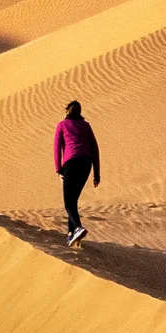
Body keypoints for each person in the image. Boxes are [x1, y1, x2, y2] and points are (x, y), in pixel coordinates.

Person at [53, 100, 100, 246]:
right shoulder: (86, 125)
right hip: (86, 164)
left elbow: (56, 147)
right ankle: (71, 234)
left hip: (71, 164)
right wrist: (96, 173)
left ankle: (78, 227)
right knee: (73, 200)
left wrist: (58, 169)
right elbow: (95, 148)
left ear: (67, 111)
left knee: (68, 203)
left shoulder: (62, 125)